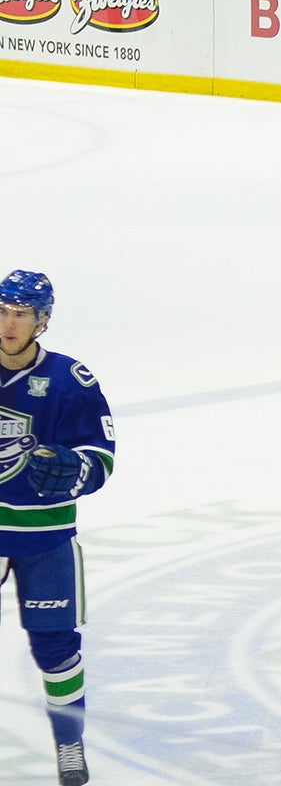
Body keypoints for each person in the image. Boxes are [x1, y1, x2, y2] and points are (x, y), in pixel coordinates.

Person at [0, 271, 112, 786]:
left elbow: (102, 456)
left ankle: (70, 746)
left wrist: (78, 468)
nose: (9, 323)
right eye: (3, 311)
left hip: (45, 537)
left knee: (56, 646)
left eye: (21, 314)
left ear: (42, 321)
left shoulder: (71, 380)